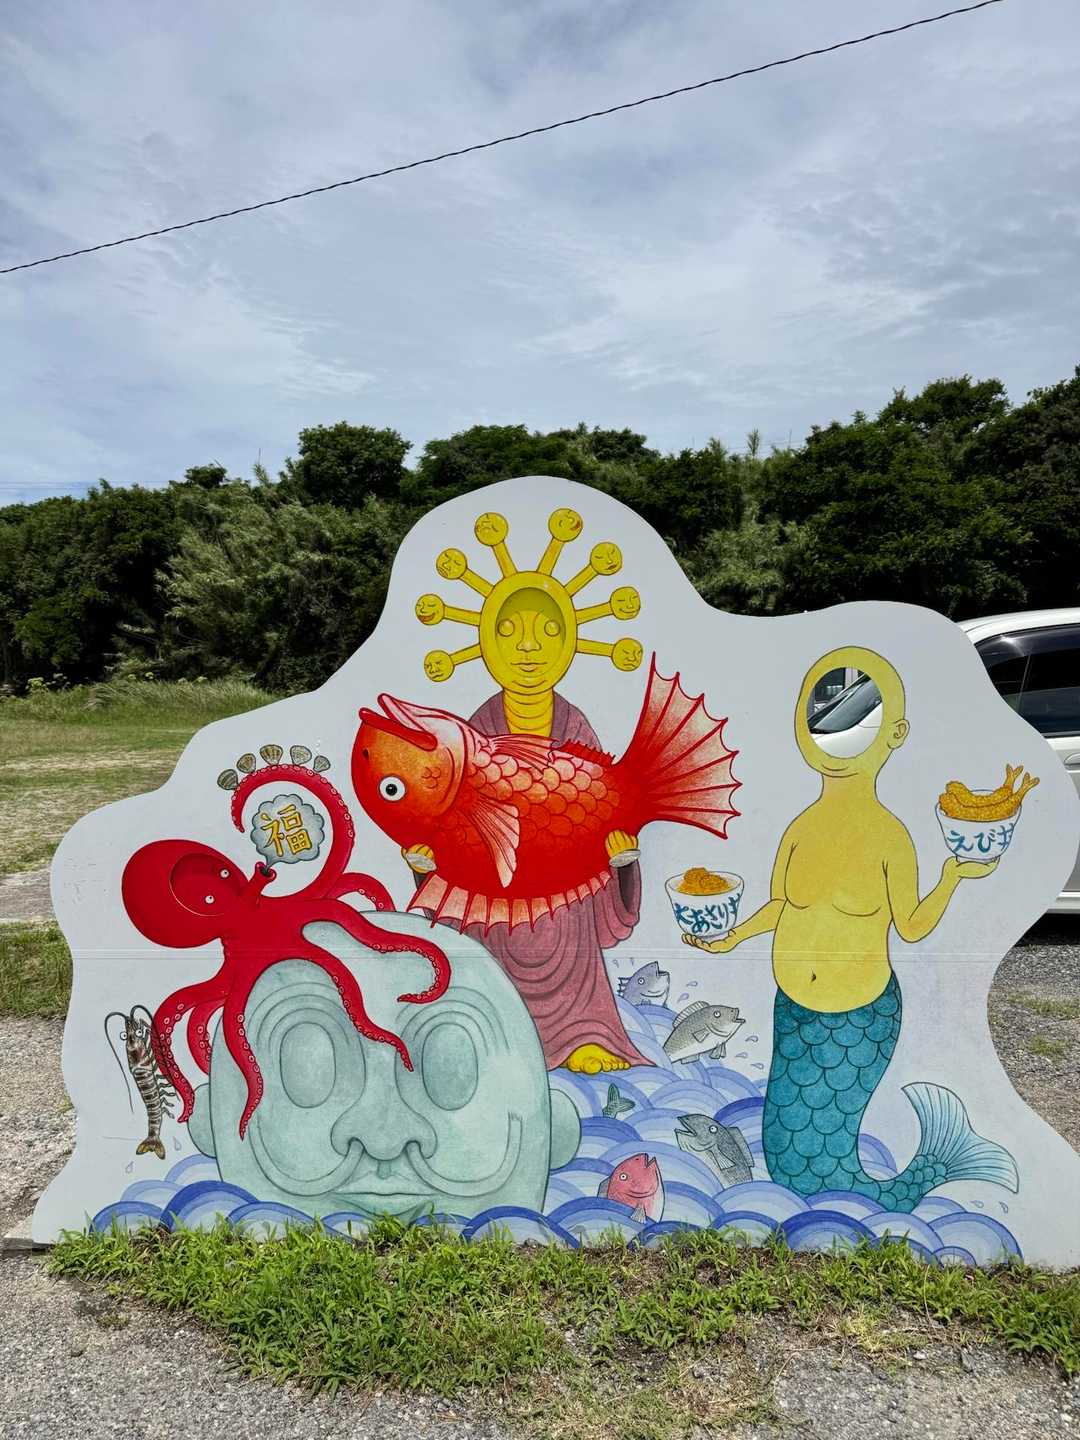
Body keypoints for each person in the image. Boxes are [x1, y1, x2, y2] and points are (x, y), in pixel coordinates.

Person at [685, 646, 1017, 1212]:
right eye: (820, 719)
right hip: (794, 1008)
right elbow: (781, 904)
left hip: (859, 1019)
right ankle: (922, 1171)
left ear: (895, 734)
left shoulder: (890, 837)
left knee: (822, 1163)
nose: (833, 739)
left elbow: (911, 927)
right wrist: (731, 937)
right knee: (786, 1154)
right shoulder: (800, 829)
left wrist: (952, 876)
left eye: (857, 722)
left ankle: (932, 1169)